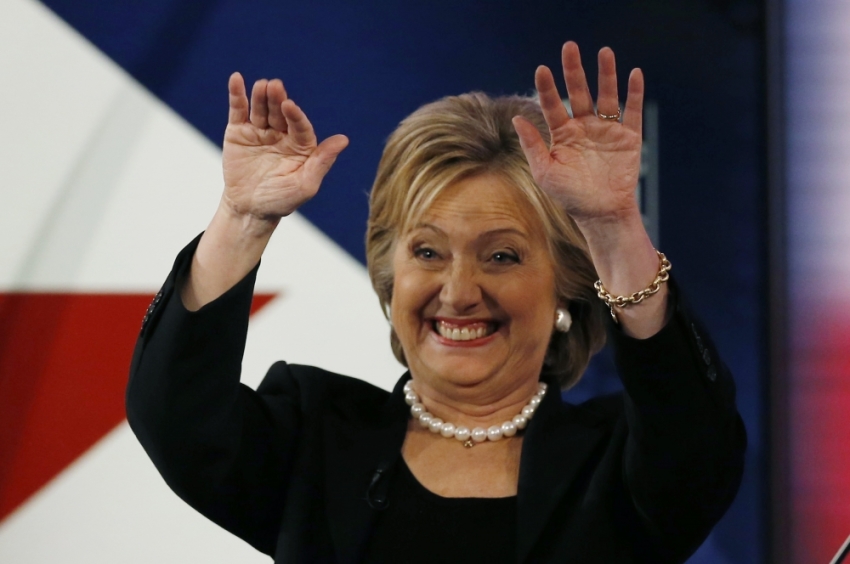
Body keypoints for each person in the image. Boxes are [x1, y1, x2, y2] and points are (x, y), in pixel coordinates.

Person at [126, 42, 746, 563]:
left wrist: (611, 226)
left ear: (565, 286)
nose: (458, 292)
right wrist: (242, 217)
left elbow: (696, 437)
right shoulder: (313, 439)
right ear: (389, 274)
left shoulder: (618, 466)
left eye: (501, 255)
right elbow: (176, 418)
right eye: (427, 252)